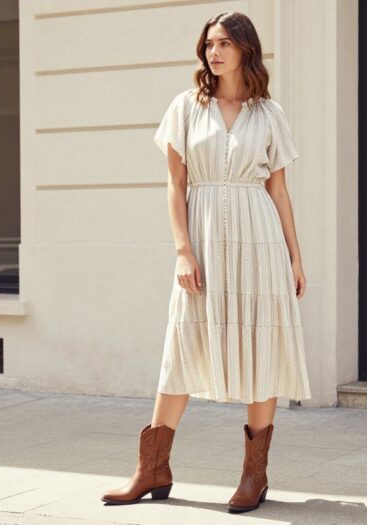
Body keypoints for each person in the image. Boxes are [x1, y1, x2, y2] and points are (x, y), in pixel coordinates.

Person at [101, 11, 311, 513]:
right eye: (209, 44)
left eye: (224, 44)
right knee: (182, 346)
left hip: (259, 239)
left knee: (260, 347)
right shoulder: (186, 107)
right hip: (203, 239)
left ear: (245, 50)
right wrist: (183, 250)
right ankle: (151, 468)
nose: (213, 53)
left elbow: (279, 191)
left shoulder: (269, 114)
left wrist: (295, 257)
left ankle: (254, 476)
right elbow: (175, 186)